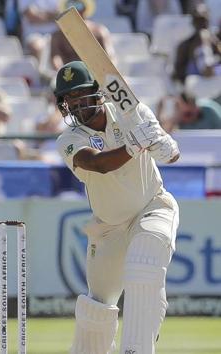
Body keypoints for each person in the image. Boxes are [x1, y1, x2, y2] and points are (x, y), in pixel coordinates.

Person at [53, 61, 180, 353]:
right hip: (109, 226)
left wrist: (166, 146)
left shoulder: (131, 114)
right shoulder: (69, 140)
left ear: (98, 93)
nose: (75, 104)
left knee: (143, 267)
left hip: (153, 206)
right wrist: (136, 144)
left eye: (81, 95)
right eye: (69, 99)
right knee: (96, 307)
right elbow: (98, 164)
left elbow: (170, 153)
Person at [50, 0, 115, 72]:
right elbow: (56, 58)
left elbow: (110, 57)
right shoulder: (58, 35)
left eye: (78, 5)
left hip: (96, 76)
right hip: (70, 77)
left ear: (85, 8)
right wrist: (62, 74)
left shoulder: (99, 31)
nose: (75, 10)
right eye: (71, 5)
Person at [172, 3, 221, 84]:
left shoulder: (216, 43)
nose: (201, 24)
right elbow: (178, 74)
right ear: (193, 22)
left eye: (204, 20)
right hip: (195, 88)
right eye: (198, 20)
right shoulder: (184, 46)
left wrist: (209, 44)